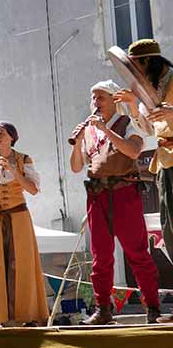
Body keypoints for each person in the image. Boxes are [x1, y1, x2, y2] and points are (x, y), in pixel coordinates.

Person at [70, 80, 161, 324]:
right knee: (100, 257)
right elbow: (77, 167)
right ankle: (103, 309)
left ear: (113, 100)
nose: (95, 102)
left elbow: (133, 152)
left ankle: (152, 307)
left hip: (124, 193)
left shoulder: (127, 124)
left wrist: (106, 130)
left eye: (100, 97)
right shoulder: (89, 131)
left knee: (137, 253)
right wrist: (78, 141)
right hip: (97, 197)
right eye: (93, 98)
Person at [113, 38, 173, 323]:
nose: (134, 75)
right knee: (170, 233)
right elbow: (149, 128)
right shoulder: (152, 91)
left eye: (136, 67)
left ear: (148, 62)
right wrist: (134, 107)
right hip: (165, 162)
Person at [0, 122, 48, 326]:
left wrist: (13, 171)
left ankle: (27, 315)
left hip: (19, 217)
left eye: (0, 133)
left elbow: (33, 189)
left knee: (23, 264)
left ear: (11, 137)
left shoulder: (23, 159)